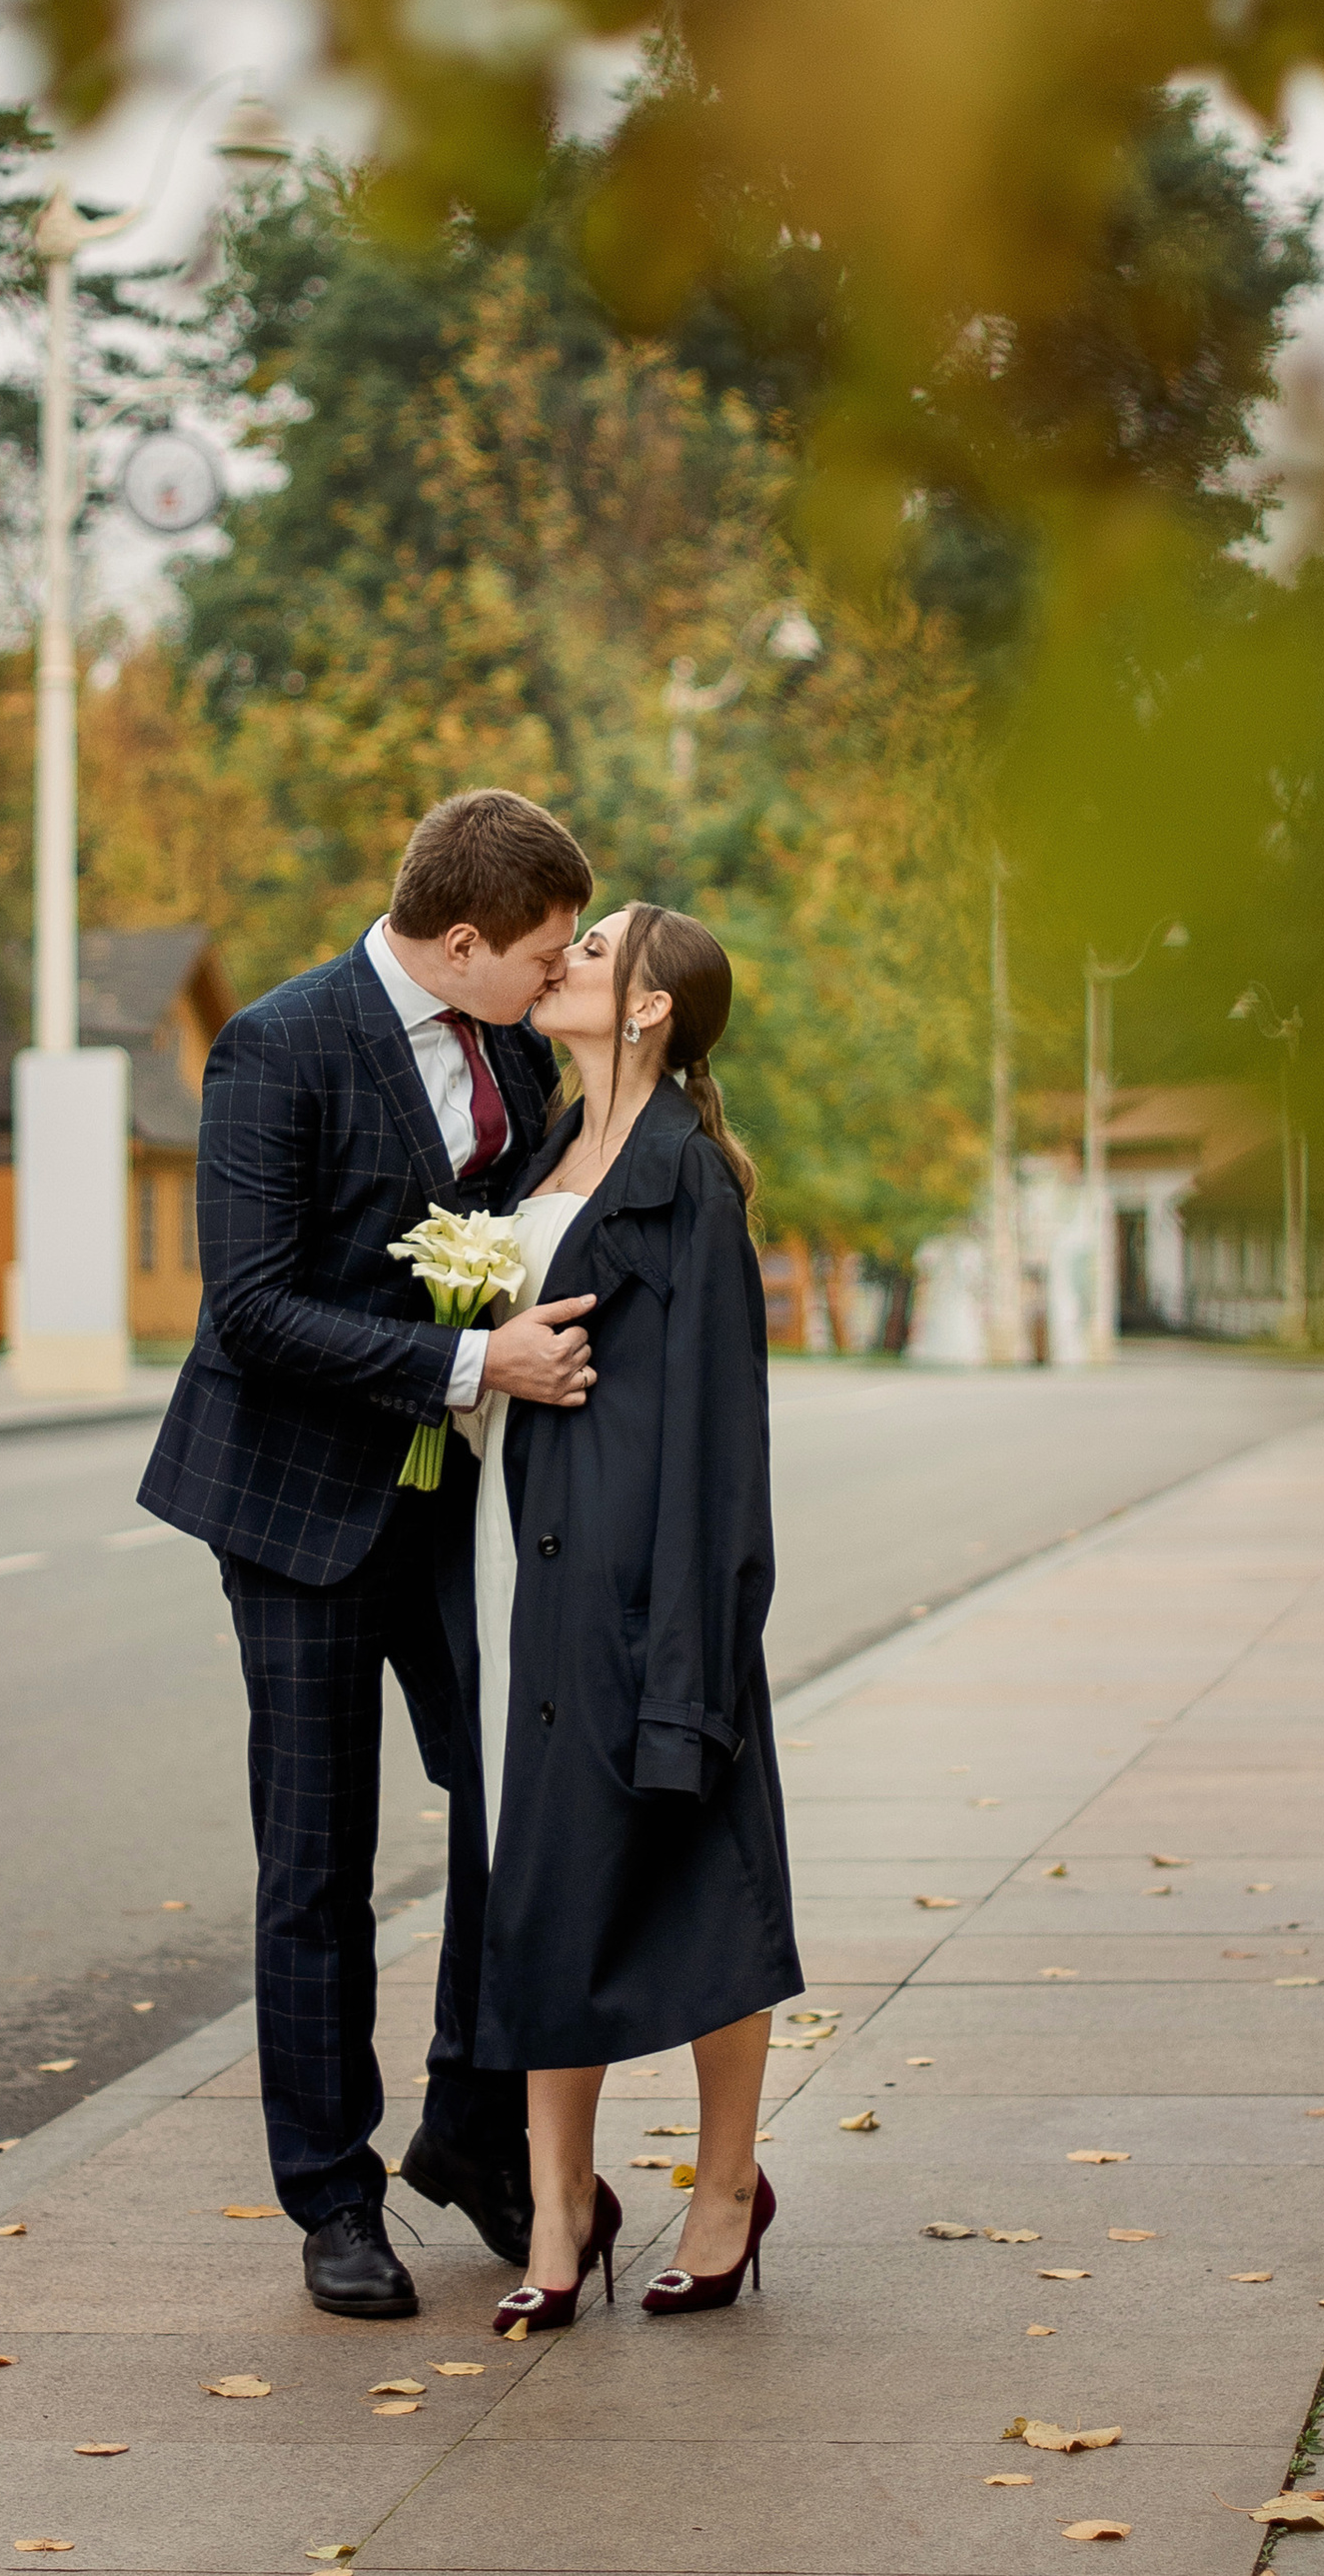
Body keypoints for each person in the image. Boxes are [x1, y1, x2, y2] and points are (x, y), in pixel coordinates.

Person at [139, 788, 606, 2322]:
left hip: (449, 1512)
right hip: (292, 1512)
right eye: (538, 955)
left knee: (514, 1816)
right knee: (319, 1861)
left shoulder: (519, 1046)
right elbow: (253, 1311)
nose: (551, 981)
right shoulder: (277, 1046)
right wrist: (472, 1369)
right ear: (458, 941)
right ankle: (332, 2196)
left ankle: (470, 2134)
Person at [462, 903, 803, 2332]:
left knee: (703, 1890)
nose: (567, 964)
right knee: (549, 1899)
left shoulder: (691, 1185)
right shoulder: (543, 1147)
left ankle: (727, 2188)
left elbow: (725, 1450)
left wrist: (697, 1666)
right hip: (551, 1576)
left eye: (595, 953)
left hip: (661, 1598)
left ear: (653, 1008)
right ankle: (558, 2217)